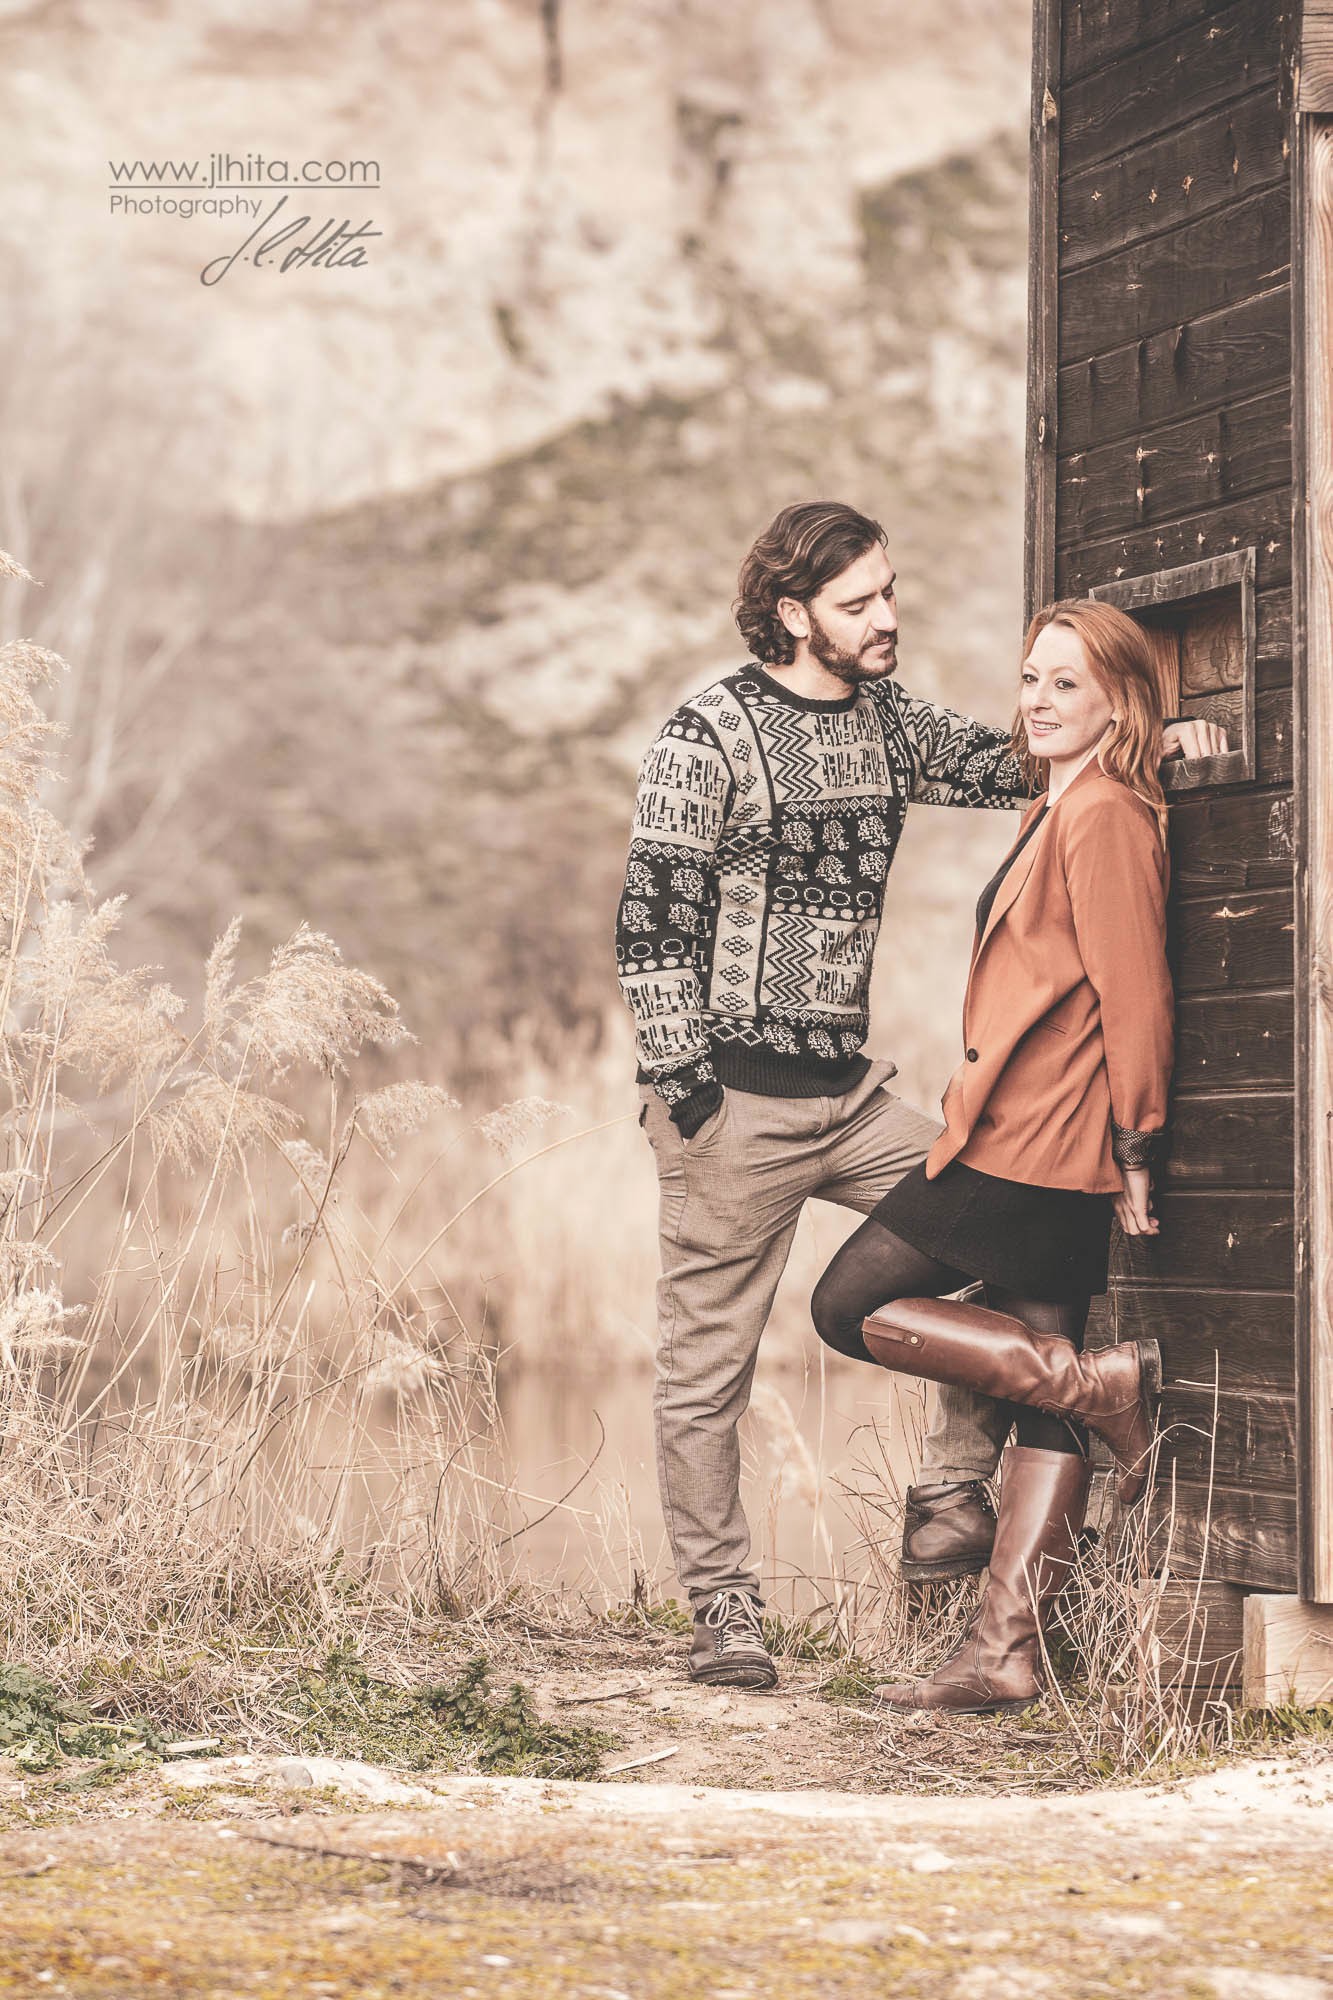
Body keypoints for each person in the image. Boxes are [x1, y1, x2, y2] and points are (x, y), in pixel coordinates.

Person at [616, 502, 1219, 1692]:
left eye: (888, 591)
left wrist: (1168, 736)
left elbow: (1027, 757)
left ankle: (949, 1492)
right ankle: (725, 1612)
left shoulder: (888, 723)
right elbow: (651, 924)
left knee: (1005, 1220)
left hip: (854, 1100)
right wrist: (689, 1093)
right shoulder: (707, 734)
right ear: (793, 615)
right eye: (859, 604)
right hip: (733, 1103)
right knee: (706, 1367)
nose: (886, 616)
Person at [810, 597, 1174, 1716]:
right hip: (1026, 1129)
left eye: (1067, 683)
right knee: (1039, 1391)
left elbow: (1135, 990)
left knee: (846, 1305)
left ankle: (1100, 1383)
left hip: (1037, 1134)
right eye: (1030, 679)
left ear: (1119, 699)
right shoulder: (1055, 799)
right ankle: (1005, 1651)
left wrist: (1137, 1141)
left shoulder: (1102, 813)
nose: (1039, 701)